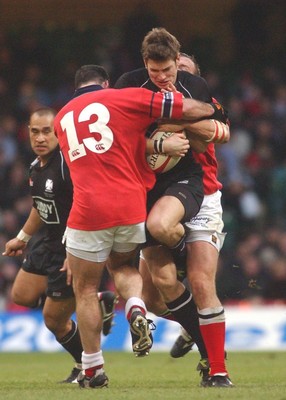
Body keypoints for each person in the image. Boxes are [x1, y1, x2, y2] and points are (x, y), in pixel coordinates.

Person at [54, 64, 216, 389]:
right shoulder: (122, 98)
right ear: (105, 84)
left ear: (76, 88)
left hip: (89, 208)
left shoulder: (61, 117)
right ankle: (136, 308)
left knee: (86, 290)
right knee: (124, 265)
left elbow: (66, 173)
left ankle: (93, 369)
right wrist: (211, 108)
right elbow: (188, 108)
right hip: (130, 205)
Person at [115, 28, 233, 388]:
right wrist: (157, 139)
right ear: (145, 64)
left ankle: (218, 370)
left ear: (185, 69)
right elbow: (123, 135)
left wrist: (175, 121)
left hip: (201, 193)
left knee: (199, 280)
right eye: (157, 71)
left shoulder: (195, 89)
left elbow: (222, 132)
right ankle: (193, 326)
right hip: (148, 191)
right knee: (157, 292)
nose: (165, 77)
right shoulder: (130, 85)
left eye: (174, 70)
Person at [2, 107, 117, 384]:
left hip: (72, 244)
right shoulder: (34, 167)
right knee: (21, 295)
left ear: (59, 133)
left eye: (47, 132)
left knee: (53, 320)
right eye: (34, 132)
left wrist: (75, 252)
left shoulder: (68, 165)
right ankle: (95, 300)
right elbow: (40, 207)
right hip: (47, 241)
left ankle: (85, 365)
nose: (40, 138)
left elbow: (86, 204)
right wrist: (23, 237)